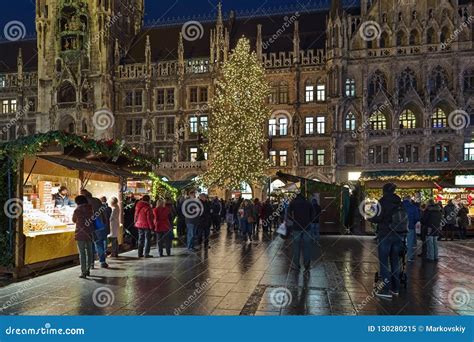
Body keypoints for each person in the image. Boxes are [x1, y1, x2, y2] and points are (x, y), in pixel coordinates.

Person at [369, 183, 404, 299]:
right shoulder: (399, 202)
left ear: (384, 191)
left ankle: (385, 289)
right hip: (398, 235)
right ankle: (396, 288)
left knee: (384, 262)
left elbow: (375, 218)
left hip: (385, 234)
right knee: (395, 261)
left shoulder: (381, 202)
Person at [81, 189, 110, 268]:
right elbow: (103, 213)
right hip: (100, 226)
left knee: (90, 246)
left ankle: (91, 264)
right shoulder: (97, 201)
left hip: (90, 226)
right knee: (99, 244)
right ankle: (102, 261)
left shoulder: (85, 203)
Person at [287, 192, 314, 273]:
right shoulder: (308, 203)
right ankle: (307, 265)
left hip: (296, 227)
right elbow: (313, 214)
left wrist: (293, 220)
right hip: (307, 227)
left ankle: (296, 265)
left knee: (296, 247)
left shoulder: (293, 203)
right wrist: (309, 220)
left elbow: (288, 214)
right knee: (307, 246)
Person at [72, 195, 94, 278]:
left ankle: (83, 271)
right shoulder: (90, 209)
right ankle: (88, 269)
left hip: (80, 232)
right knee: (89, 251)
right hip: (89, 231)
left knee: (82, 253)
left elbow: (73, 220)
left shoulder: (77, 210)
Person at [402, 196, 420, 262]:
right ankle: (409, 257)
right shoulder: (414, 207)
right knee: (410, 243)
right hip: (410, 227)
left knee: (399, 242)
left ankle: (399, 257)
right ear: (410, 200)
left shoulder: (399, 206)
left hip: (399, 228)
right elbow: (417, 218)